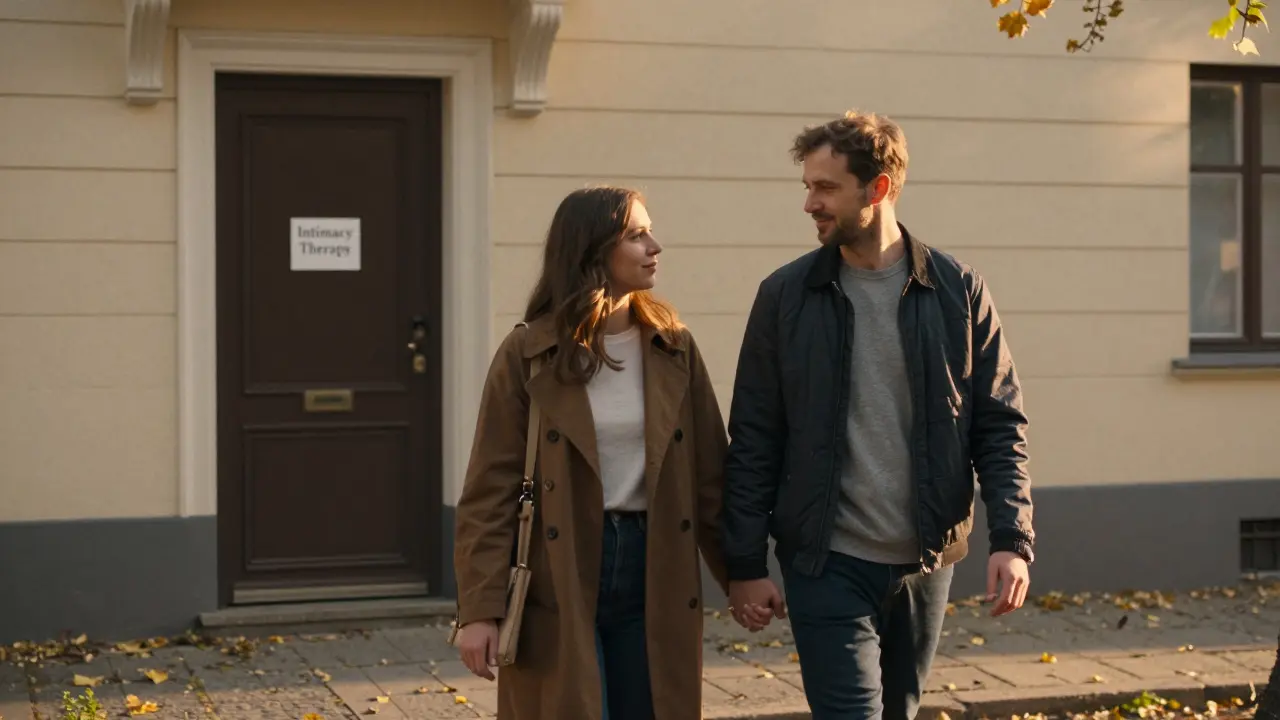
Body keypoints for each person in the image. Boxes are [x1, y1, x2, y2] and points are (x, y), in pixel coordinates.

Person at [721, 111, 1037, 720]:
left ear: (879, 189)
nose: (810, 203)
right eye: (807, 187)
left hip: (926, 561)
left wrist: (1012, 539)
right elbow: (755, 436)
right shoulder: (785, 297)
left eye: (825, 188)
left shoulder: (958, 290)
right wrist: (743, 564)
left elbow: (999, 425)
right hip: (824, 560)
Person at [452, 186, 730, 720]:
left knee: (651, 706)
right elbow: (491, 489)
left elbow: (711, 473)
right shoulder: (529, 352)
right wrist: (480, 611)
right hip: (560, 567)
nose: (655, 246)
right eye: (636, 234)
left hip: (657, 564)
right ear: (592, 248)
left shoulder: (673, 345)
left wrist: (742, 574)